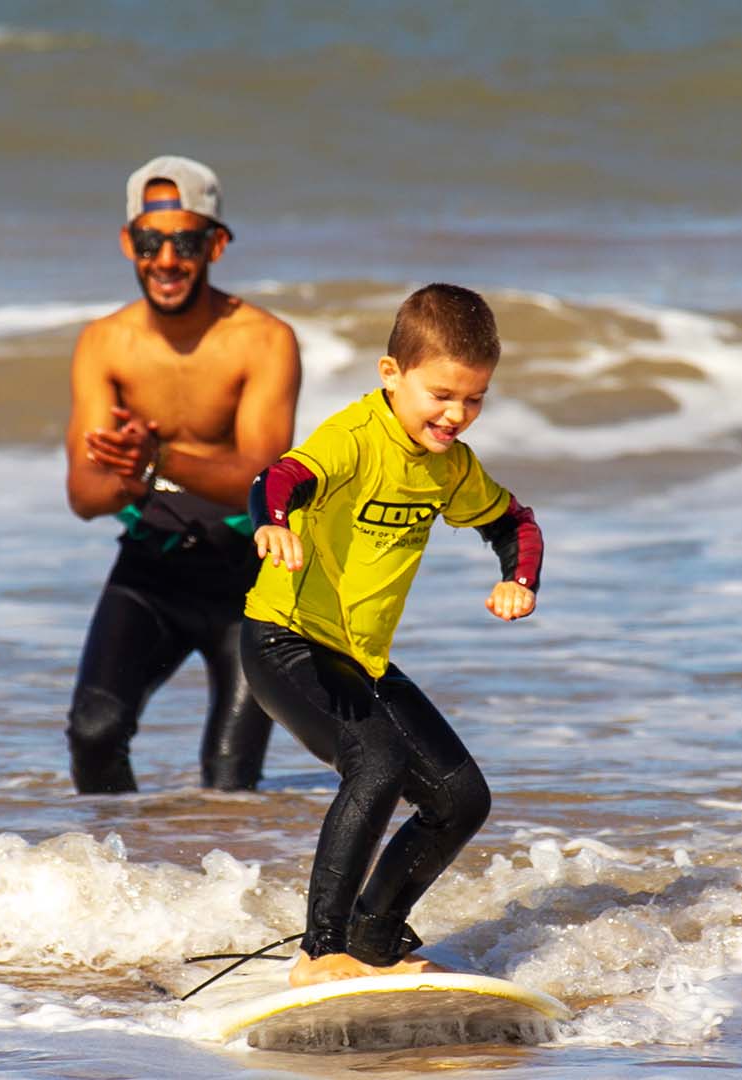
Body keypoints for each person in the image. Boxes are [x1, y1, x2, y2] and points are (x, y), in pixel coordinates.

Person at [241, 283, 545, 986]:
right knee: (374, 765)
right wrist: (274, 523)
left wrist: (518, 580)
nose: (456, 414)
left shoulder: (448, 467)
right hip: (284, 643)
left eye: (474, 399)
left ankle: (373, 941)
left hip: (360, 660)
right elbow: (279, 477)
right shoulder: (354, 439)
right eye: (441, 394)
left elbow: (514, 522)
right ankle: (318, 954)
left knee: (461, 798)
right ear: (391, 375)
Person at [63, 155, 302, 794]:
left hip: (249, 581)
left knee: (229, 783)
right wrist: (129, 481)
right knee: (94, 732)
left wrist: (158, 459)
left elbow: (263, 485)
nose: (166, 261)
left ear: (215, 245)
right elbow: (85, 498)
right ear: (128, 243)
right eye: (150, 241)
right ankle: (120, 885)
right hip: (153, 569)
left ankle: (221, 894)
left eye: (185, 242)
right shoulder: (105, 343)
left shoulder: (263, 340)